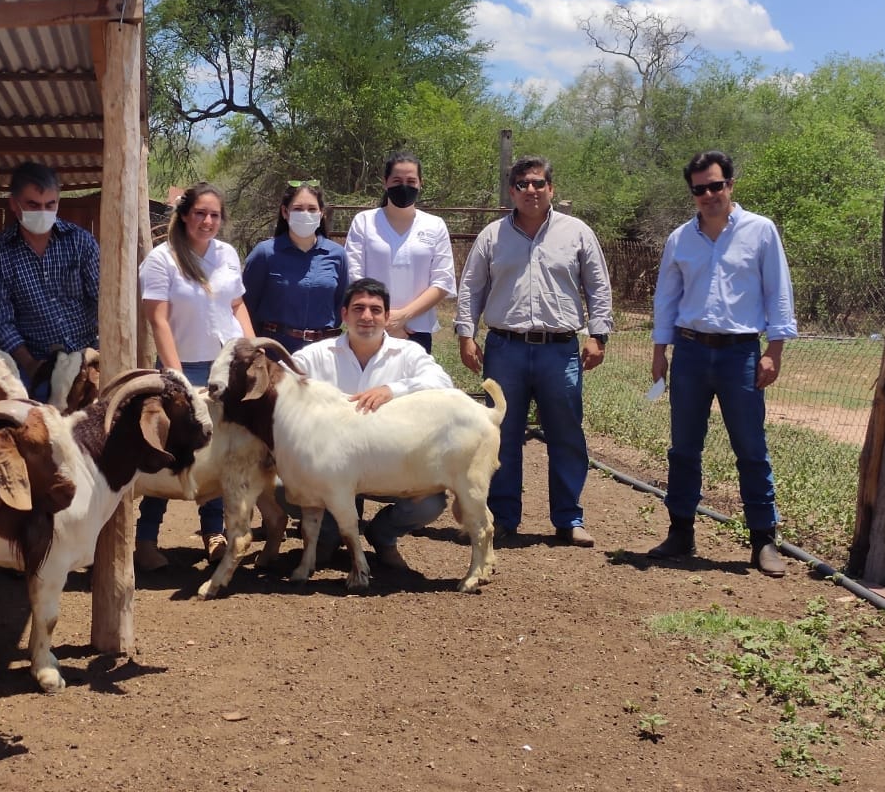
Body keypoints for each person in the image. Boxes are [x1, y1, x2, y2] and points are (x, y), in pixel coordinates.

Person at [647, 151, 797, 577]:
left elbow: (778, 292)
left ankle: (763, 539)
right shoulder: (680, 239)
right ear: (692, 193)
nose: (709, 195)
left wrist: (774, 351)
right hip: (690, 353)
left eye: (716, 185)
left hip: (741, 354)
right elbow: (667, 298)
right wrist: (659, 352)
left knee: (750, 447)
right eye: (700, 189)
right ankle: (680, 531)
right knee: (683, 448)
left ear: (730, 184)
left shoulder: (760, 231)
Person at [455, 157, 613, 548]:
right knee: (501, 435)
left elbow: (598, 286)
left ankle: (569, 518)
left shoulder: (577, 233)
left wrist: (598, 335)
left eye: (539, 183)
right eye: (523, 184)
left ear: (551, 189)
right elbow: (471, 288)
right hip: (505, 348)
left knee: (566, 434)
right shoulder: (492, 236)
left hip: (559, 351)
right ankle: (503, 517)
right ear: (512, 191)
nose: (531, 190)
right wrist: (465, 334)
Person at [288, 278, 454, 571]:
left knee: (430, 502)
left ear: (387, 317)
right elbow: (282, 382)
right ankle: (328, 537)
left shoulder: (408, 353)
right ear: (344, 315)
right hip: (331, 469)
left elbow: (443, 383)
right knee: (282, 485)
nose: (367, 316)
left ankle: (383, 535)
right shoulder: (315, 355)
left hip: (391, 467)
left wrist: (394, 389)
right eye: (358, 308)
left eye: (376, 310)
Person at [136, 181, 255, 572]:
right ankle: (146, 538)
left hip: (226, 368)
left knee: (219, 452)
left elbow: (236, 304)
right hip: (184, 368)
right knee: (170, 452)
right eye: (200, 213)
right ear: (185, 215)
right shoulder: (162, 259)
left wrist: (253, 351)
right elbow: (158, 319)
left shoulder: (227, 254)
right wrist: (178, 378)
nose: (207, 221)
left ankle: (213, 533)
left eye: (214, 215)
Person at [0, 161, 99, 400]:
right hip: (35, 361)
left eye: (49, 205)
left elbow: (104, 300)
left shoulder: (81, 242)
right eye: (33, 205)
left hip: (87, 354)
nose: (43, 212)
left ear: (58, 203)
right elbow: (0, 321)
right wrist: (31, 364)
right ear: (14, 204)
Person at [343, 152, 456, 353]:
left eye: (411, 181)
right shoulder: (364, 222)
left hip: (416, 330)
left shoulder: (435, 225)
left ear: (420, 183)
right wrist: (383, 318)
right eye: (397, 180)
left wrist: (403, 316)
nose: (404, 186)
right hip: (370, 325)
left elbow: (442, 281)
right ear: (385, 182)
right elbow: (354, 275)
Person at [243, 181, 348, 354]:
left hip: (323, 353)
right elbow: (246, 306)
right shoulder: (265, 253)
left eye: (312, 209)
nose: (305, 214)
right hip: (275, 353)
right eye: (298, 209)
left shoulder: (337, 254)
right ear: (285, 212)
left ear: (322, 213)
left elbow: (340, 305)